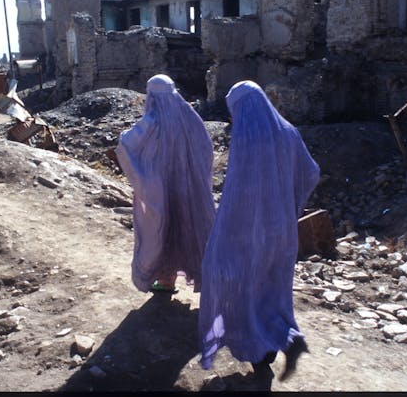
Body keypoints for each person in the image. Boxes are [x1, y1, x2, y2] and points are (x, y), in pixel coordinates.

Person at [198, 80, 320, 380]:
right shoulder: (288, 131)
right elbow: (311, 171)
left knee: (233, 282)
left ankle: (259, 350)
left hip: (249, 228)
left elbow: (238, 190)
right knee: (271, 290)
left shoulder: (249, 135)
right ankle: (287, 339)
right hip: (282, 230)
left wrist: (225, 228)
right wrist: (291, 206)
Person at [115, 74, 216, 294]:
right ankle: (203, 280)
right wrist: (198, 177)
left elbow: (126, 144)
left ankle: (165, 279)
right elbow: (206, 149)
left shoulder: (152, 120)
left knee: (162, 231)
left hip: (160, 190)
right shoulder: (190, 118)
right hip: (189, 190)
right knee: (189, 229)